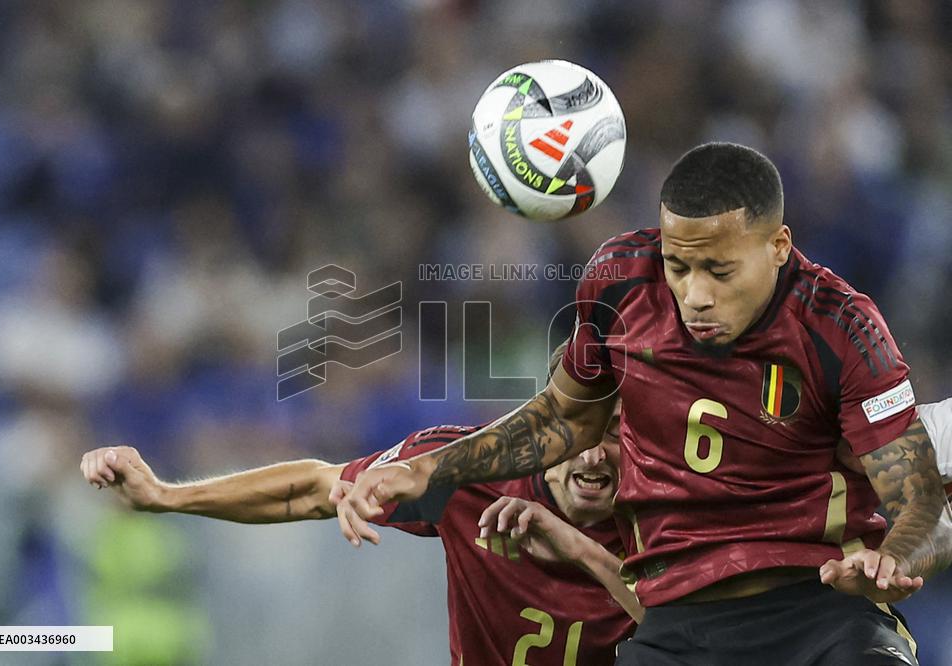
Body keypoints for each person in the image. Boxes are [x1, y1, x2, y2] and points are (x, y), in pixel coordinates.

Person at [340, 142, 952, 665]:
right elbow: (564, 419)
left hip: (817, 612)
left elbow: (919, 495)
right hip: (676, 626)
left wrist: (888, 561)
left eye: (719, 270)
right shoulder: (621, 281)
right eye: (679, 266)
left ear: (778, 247)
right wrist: (432, 466)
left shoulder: (841, 326)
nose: (695, 295)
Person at [80, 347, 643, 666]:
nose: (591, 454)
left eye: (613, 434)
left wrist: (578, 549)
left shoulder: (668, 505)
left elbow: (703, 635)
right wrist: (168, 496)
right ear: (543, 432)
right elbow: (314, 488)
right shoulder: (464, 471)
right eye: (576, 434)